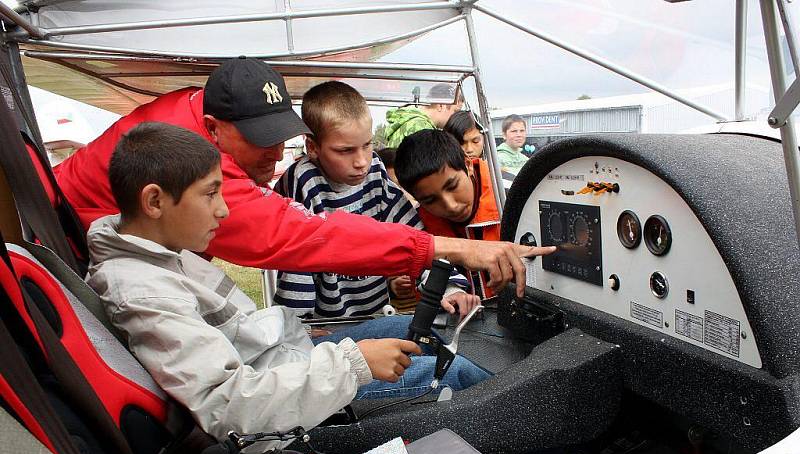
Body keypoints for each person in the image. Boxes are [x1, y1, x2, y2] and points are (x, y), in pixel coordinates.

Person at [86, 122, 490, 450]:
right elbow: (227, 406)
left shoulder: (164, 255)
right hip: (288, 402)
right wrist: (355, 364)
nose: (223, 210)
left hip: (292, 361)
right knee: (453, 372)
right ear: (154, 202)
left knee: (414, 331)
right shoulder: (144, 291)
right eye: (210, 194)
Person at [54, 56, 550, 300]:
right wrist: (454, 249)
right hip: (66, 250)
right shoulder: (188, 163)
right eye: (259, 138)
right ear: (212, 129)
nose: (275, 153)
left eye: (279, 135)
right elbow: (300, 236)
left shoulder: (194, 109)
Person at [274, 81, 474, 319]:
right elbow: (295, 265)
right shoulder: (303, 180)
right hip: (325, 323)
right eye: (345, 150)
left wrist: (448, 288)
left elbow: (416, 237)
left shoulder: (375, 174)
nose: (361, 161)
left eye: (367, 145)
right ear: (312, 147)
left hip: (377, 312)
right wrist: (299, 328)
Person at [396, 129, 555, 298]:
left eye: (452, 186)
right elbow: (421, 272)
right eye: (430, 200)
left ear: (468, 164)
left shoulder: (520, 195)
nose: (450, 206)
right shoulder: (416, 225)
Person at [383, 83, 463, 149]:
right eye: (455, 111)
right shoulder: (421, 128)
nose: (456, 117)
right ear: (441, 105)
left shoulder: (411, 122)